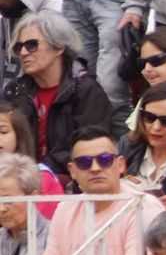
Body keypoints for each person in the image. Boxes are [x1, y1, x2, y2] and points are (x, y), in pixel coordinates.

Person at [2, 10, 112, 175]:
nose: (23, 53)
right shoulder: (15, 91)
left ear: (59, 47)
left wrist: (42, 170)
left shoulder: (86, 91)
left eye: (32, 44)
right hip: (19, 180)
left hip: (71, 183)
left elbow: (90, 147)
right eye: (19, 47)